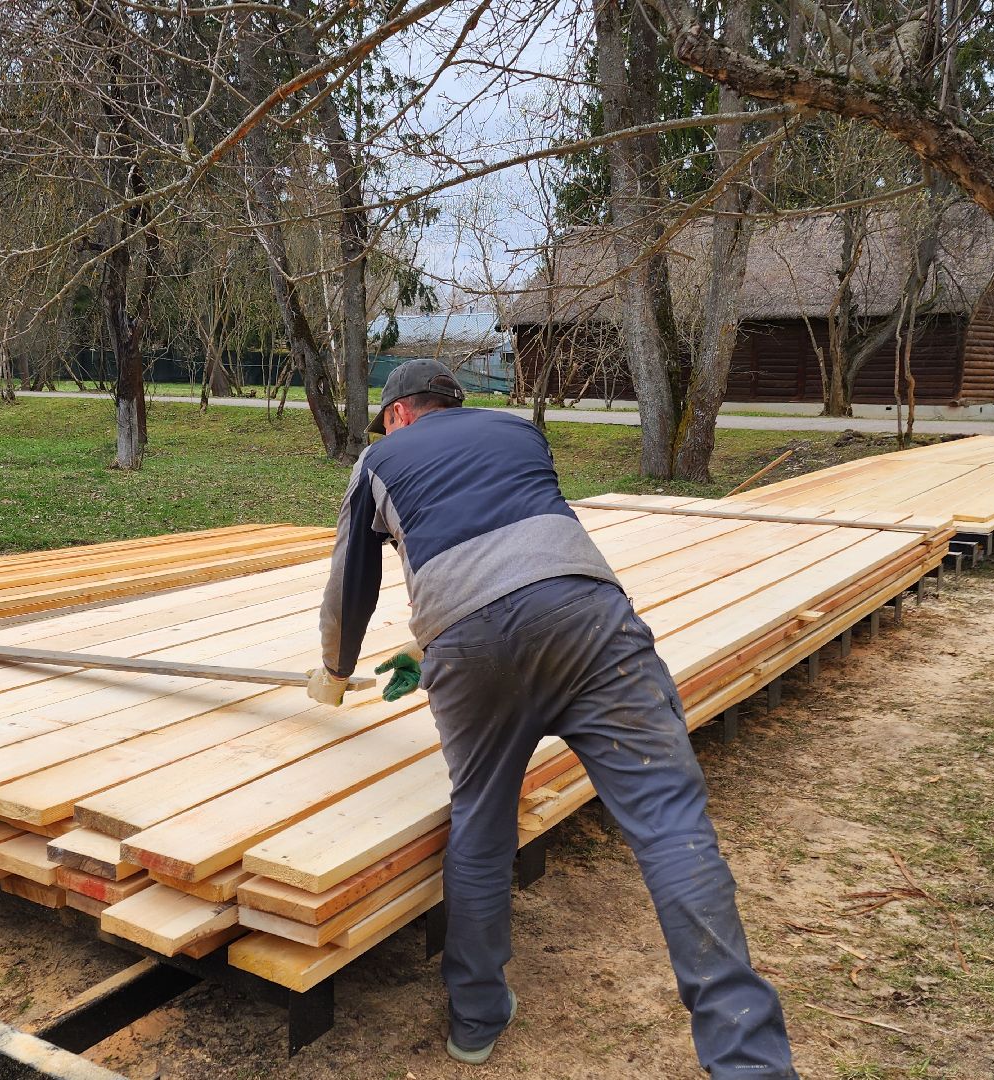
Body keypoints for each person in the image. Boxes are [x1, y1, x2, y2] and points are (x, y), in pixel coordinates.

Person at [306, 359, 798, 1078]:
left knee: (480, 818)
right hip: (587, 621)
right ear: (453, 403)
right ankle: (750, 1063)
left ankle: (476, 1017)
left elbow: (354, 586)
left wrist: (338, 668)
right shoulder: (518, 432)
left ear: (399, 415)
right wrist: (428, 641)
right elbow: (516, 544)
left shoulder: (379, 460)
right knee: (670, 825)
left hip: (468, 647)